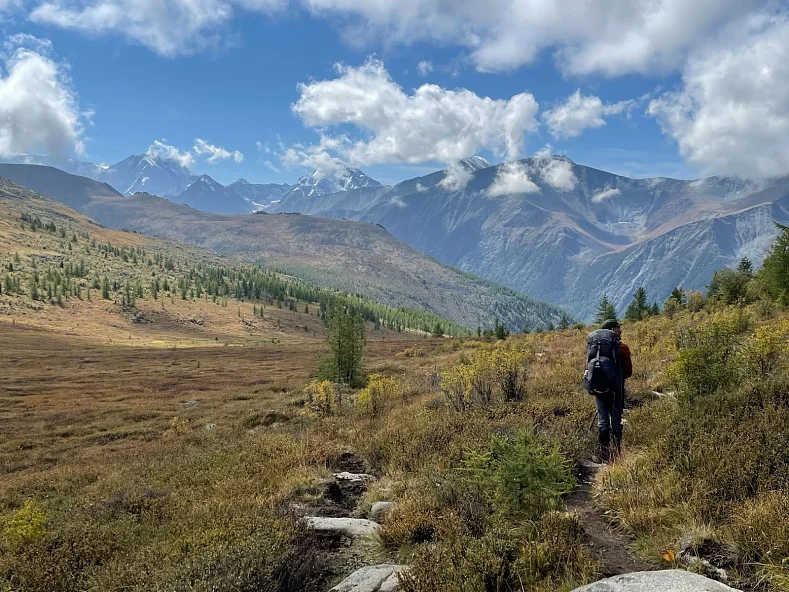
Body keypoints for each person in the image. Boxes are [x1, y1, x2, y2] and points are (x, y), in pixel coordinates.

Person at [586, 319, 632, 462]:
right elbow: (629, 372)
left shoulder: (594, 349)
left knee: (603, 420)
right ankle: (616, 453)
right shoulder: (622, 348)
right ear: (613, 329)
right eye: (619, 328)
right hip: (616, 389)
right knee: (616, 420)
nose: (621, 330)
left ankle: (604, 454)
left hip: (598, 388)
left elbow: (588, 369)